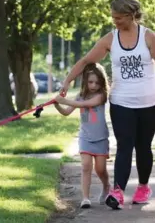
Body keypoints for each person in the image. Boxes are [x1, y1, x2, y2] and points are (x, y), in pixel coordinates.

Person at [59, 0, 155, 209]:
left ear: (131, 15)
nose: (115, 22)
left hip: (150, 101)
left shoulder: (148, 36)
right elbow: (86, 61)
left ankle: (143, 186)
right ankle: (118, 192)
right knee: (124, 145)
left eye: (119, 18)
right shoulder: (110, 39)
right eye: (113, 17)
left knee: (143, 146)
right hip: (122, 102)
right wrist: (67, 81)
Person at [54, 63, 111, 209]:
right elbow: (66, 112)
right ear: (85, 81)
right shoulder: (80, 96)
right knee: (86, 166)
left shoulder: (101, 96)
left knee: (100, 169)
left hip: (100, 139)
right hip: (85, 138)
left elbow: (86, 104)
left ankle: (106, 186)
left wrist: (65, 100)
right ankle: (85, 198)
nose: (93, 85)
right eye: (90, 82)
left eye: (97, 83)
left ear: (102, 83)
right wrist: (57, 105)